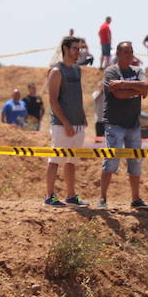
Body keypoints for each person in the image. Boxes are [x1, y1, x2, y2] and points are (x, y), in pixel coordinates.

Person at [98, 41, 148, 209]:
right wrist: (137, 89)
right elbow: (119, 95)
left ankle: (136, 199)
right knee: (111, 161)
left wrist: (122, 84)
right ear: (119, 54)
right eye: (127, 52)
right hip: (115, 124)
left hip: (133, 124)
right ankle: (102, 198)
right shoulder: (111, 71)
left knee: (135, 162)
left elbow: (146, 86)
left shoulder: (138, 71)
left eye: (132, 52)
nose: (130, 55)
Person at [44, 36, 89, 206]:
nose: (78, 52)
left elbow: (77, 96)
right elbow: (53, 101)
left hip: (77, 123)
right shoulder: (56, 71)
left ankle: (71, 195)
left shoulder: (77, 70)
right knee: (56, 159)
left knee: (72, 160)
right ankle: (50, 196)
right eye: (75, 48)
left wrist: (82, 116)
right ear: (65, 49)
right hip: (61, 125)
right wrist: (66, 123)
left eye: (79, 48)